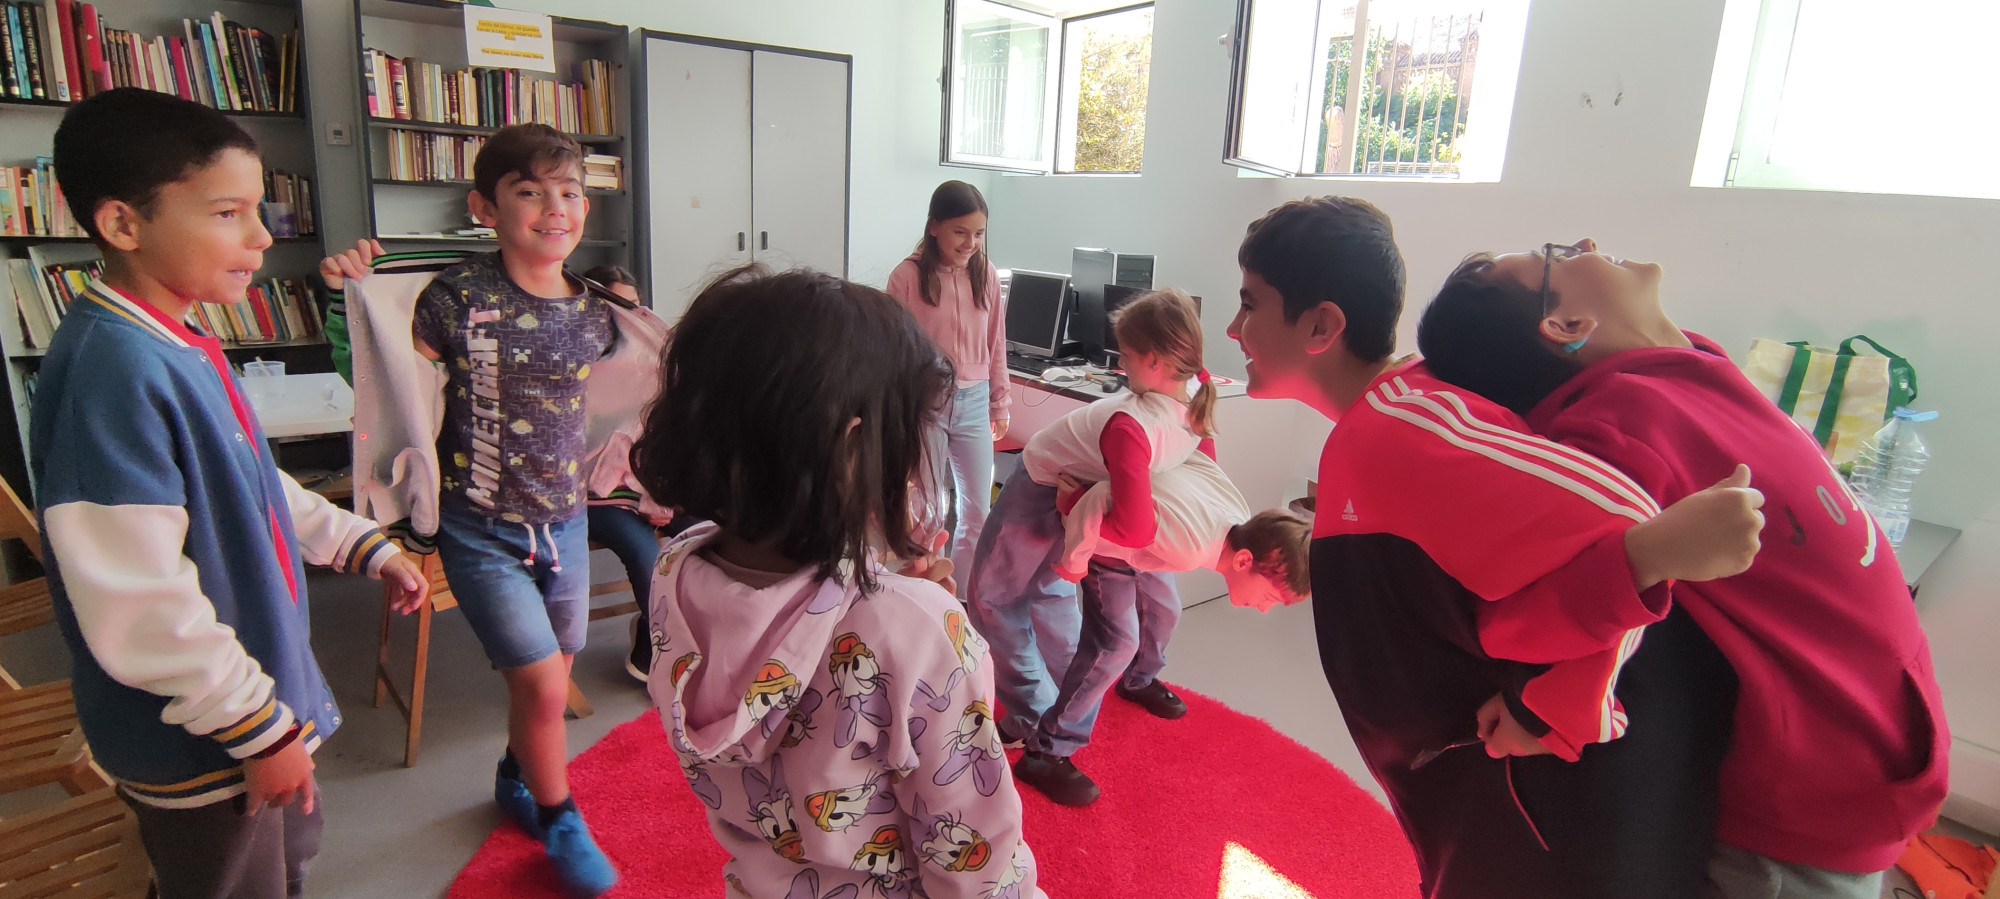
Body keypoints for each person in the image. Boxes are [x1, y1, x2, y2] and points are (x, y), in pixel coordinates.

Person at [1224, 196, 1768, 898]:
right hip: (1483, 813)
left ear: (1321, 326)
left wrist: (1545, 709)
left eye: (1250, 305)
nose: (1233, 328)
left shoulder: (1405, 422)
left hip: (1542, 828)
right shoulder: (1381, 425)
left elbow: (1637, 522)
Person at [1417, 238, 1949, 898]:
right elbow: (1530, 608)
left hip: (1873, 749)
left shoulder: (1692, 360)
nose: (1587, 243)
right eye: (1556, 254)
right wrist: (1536, 701)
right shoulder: (1612, 429)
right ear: (1565, 324)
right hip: (1806, 808)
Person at [38, 88, 428, 899]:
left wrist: (355, 541)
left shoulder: (175, 335)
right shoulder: (114, 370)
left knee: (283, 863)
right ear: (122, 224)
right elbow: (140, 598)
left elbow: (246, 474)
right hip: (202, 739)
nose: (261, 237)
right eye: (227, 213)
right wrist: (254, 728)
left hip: (246, 707)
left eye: (258, 210)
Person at [632, 265, 1044, 899]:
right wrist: (930, 624)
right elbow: (974, 852)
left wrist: (889, 589)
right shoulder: (914, 626)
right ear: (852, 449)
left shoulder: (674, 569)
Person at [329, 124, 655, 897]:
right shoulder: (456, 297)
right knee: (541, 686)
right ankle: (561, 818)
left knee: (550, 680)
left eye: (570, 192)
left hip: (566, 522)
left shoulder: (598, 313)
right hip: (480, 531)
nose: (555, 207)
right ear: (485, 207)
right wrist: (349, 300)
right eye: (530, 191)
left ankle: (516, 776)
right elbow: (383, 377)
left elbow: (634, 393)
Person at [574, 263, 689, 684]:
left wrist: (663, 491)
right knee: (646, 558)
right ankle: (666, 653)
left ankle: (654, 638)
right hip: (593, 496)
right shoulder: (573, 358)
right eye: (613, 305)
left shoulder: (650, 361)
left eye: (633, 306)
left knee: (709, 537)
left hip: (646, 484)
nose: (625, 316)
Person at [885, 181, 1009, 566]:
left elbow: (996, 340)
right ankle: (929, 590)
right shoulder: (906, 276)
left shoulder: (986, 273)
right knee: (926, 511)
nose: (970, 243)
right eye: (960, 232)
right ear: (934, 226)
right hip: (926, 404)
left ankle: (965, 595)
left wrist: (1000, 402)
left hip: (975, 402)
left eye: (979, 234)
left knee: (977, 512)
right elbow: (892, 352)